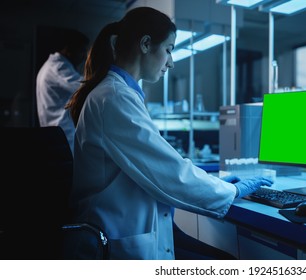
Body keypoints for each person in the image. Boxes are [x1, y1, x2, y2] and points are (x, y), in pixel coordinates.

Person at [65, 7, 273, 260]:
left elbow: (160, 162)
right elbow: (168, 171)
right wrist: (231, 191)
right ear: (145, 44)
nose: (171, 62)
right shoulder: (114, 97)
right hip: (121, 236)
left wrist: (217, 184)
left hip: (135, 225)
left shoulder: (119, 94)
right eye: (169, 49)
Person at [36, 28, 89, 152]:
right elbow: (84, 88)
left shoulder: (51, 66)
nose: (84, 56)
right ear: (69, 49)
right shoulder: (58, 67)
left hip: (56, 134)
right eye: (82, 50)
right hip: (62, 136)